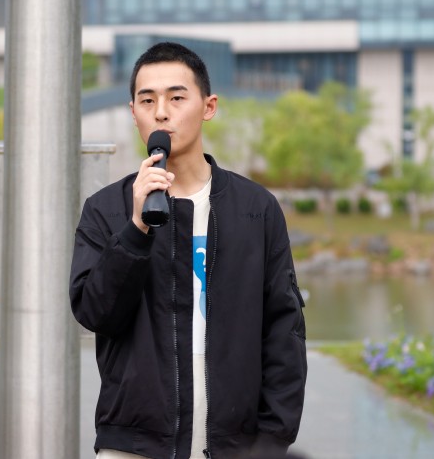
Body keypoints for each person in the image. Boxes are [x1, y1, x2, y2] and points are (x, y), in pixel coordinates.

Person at [70, 42, 307, 459]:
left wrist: (271, 441)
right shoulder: (106, 210)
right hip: (135, 444)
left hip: (236, 444)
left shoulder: (255, 209)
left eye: (176, 98)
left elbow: (284, 330)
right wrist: (136, 229)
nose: (161, 113)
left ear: (208, 106)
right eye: (147, 101)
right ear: (133, 112)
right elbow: (95, 313)